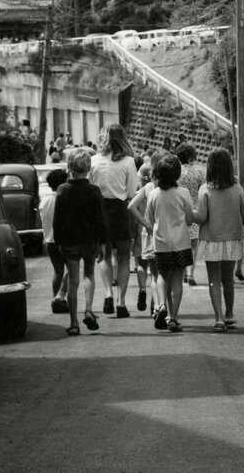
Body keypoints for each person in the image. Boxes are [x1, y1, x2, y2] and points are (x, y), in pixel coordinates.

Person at [52, 149, 108, 336]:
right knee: (89, 274)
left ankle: (74, 322)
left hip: (70, 241)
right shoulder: (94, 190)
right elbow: (101, 219)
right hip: (90, 241)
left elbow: (57, 220)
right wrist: (103, 242)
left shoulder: (62, 190)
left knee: (73, 281)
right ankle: (89, 309)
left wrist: (59, 242)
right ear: (88, 168)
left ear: (70, 167)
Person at [194, 148, 244, 332]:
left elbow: (201, 217)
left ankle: (218, 318)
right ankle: (229, 315)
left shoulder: (205, 189)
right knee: (228, 279)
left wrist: (190, 214)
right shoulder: (237, 188)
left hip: (211, 239)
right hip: (232, 238)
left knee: (214, 280)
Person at [89, 124, 139, 319]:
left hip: (100, 210)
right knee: (124, 258)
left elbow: (91, 187)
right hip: (121, 210)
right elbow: (131, 191)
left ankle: (108, 293)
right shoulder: (128, 162)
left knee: (104, 255)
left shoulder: (93, 160)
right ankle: (121, 302)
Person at [145, 154, 194, 332]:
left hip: (161, 243)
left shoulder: (153, 194)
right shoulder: (183, 193)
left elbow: (150, 220)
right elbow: (190, 220)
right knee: (177, 279)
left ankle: (162, 306)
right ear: (177, 174)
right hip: (180, 242)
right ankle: (173, 318)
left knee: (162, 275)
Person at [128, 159, 161, 314]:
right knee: (156, 271)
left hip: (141, 231)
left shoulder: (140, 193)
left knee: (141, 264)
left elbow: (131, 208)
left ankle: (142, 289)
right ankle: (156, 299)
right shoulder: (158, 190)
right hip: (156, 232)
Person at [175, 143, 206, 286]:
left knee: (181, 244)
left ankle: (182, 272)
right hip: (193, 211)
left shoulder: (176, 172)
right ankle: (190, 274)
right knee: (193, 245)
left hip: (177, 211)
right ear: (191, 157)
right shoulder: (198, 173)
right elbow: (203, 191)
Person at [41, 167, 70, 314]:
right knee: (73, 270)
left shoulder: (44, 200)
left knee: (57, 271)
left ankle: (55, 299)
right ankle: (61, 296)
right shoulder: (63, 199)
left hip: (49, 240)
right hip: (64, 240)